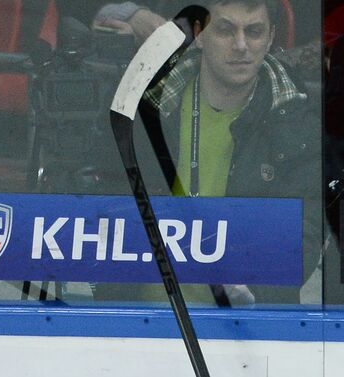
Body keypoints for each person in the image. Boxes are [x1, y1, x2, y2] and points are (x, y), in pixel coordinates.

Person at [97, 0, 322, 306]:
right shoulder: (140, 109)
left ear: (270, 38)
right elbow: (103, 203)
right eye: (226, 30)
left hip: (248, 327)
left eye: (253, 32)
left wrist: (256, 282)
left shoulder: (298, 124)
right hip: (138, 320)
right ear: (199, 35)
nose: (241, 45)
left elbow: (304, 233)